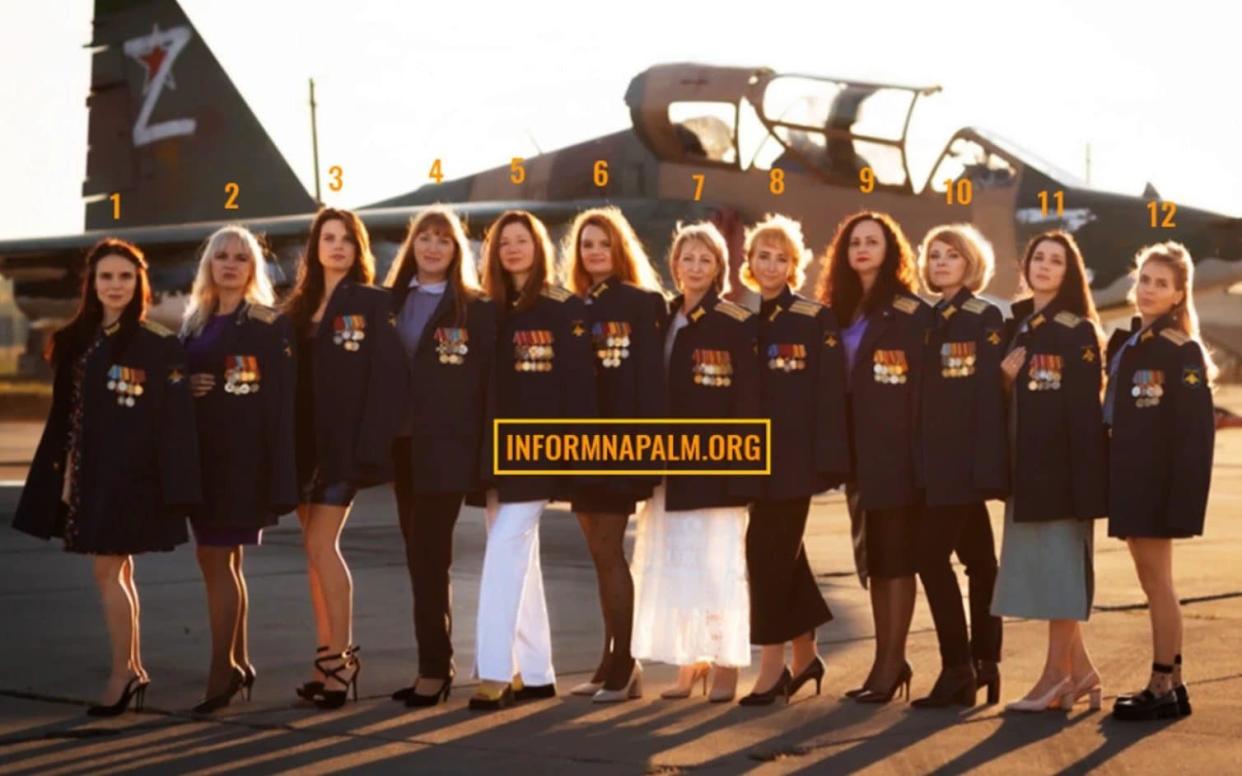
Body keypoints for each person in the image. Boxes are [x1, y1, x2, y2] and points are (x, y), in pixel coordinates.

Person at [14, 238, 200, 716]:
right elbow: (65, 415)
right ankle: (132, 667)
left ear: (139, 283)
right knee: (118, 571)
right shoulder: (75, 340)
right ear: (92, 285)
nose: (115, 285)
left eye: (125, 277)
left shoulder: (157, 345)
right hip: (84, 475)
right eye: (106, 277)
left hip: (131, 478)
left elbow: (173, 424)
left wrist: (177, 488)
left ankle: (124, 674)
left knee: (106, 570)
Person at [469, 210, 597, 710]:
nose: (514, 249)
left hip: (540, 450)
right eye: (505, 243)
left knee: (504, 551)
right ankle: (538, 672)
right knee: (521, 557)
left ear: (538, 247)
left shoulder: (562, 308)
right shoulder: (487, 308)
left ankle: (494, 673)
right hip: (493, 450)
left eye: (523, 241)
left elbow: (579, 388)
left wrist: (576, 458)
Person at [631, 221, 760, 704]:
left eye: (706, 259)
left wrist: (741, 467)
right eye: (688, 258)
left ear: (719, 269)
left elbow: (748, 400)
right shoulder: (663, 318)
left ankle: (725, 664)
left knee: (718, 566)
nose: (696, 267)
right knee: (677, 566)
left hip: (715, 466)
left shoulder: (733, 321)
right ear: (675, 265)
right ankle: (691, 661)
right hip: (669, 466)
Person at [283, 208, 407, 709]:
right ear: (314, 248)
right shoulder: (294, 307)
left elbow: (389, 378)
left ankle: (342, 662)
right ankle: (324, 656)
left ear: (359, 250)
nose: (336, 247)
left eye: (346, 240)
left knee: (322, 545)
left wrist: (371, 446)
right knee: (312, 554)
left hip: (343, 447)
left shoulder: (374, 303)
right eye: (327, 239)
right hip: (299, 445)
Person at [815, 211, 932, 704]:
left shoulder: (908, 310)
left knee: (896, 558)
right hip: (856, 454)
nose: (862, 249)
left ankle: (890, 664)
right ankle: (886, 660)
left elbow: (922, 389)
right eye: (854, 242)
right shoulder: (835, 311)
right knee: (874, 561)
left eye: (873, 242)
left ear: (890, 251)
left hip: (895, 452)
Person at [180, 225, 297, 713]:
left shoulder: (267, 324)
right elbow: (177, 380)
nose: (229, 264)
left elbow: (280, 400)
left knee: (216, 556)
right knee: (221, 561)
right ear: (209, 265)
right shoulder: (195, 322)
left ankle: (219, 670)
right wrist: (186, 386)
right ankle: (240, 662)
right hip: (202, 457)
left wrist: (276, 469)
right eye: (221, 256)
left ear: (253, 268)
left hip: (242, 460)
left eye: (240, 258)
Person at [385, 207, 497, 707]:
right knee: (417, 556)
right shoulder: (387, 302)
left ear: (457, 251)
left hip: (448, 450)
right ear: (413, 246)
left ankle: (435, 668)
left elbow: (488, 386)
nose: (432, 248)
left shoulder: (475, 308)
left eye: (443, 240)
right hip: (400, 448)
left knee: (430, 556)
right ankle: (432, 661)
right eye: (424, 239)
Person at [992, 230, 1108, 712]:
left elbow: (1084, 415)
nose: (1043, 266)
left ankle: (1054, 679)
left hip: (1060, 476)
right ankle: (1082, 674)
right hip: (1024, 472)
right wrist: (1002, 379)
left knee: (1061, 578)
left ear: (1069, 272)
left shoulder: (1075, 330)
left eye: (1055, 261)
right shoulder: (1017, 325)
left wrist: (1084, 488)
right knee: (1046, 576)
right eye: (1038, 257)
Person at [736, 214, 848, 706]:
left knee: (764, 556)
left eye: (782, 257)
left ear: (795, 266)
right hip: (750, 460)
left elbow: (829, 396)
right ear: (749, 263)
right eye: (763, 254)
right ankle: (806, 656)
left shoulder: (812, 317)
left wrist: (828, 462)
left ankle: (771, 667)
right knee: (785, 557)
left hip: (795, 462)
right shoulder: (738, 319)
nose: (772, 264)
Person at [560, 207, 667, 703]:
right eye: (587, 245)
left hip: (620, 448)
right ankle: (609, 662)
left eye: (603, 243)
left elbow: (651, 384)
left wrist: (647, 453)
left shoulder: (643, 302)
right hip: (581, 449)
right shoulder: (575, 306)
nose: (595, 252)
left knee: (609, 554)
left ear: (619, 248)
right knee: (600, 556)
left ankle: (625, 664)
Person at [1105, 242, 1215, 721]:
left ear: (1178, 296)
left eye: (1161, 284)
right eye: (1144, 280)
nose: (1149, 290)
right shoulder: (1128, 343)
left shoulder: (1179, 348)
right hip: (1129, 479)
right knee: (1156, 584)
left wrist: (1181, 501)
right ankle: (1175, 683)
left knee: (1157, 586)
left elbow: (1195, 434)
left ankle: (1159, 685)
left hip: (1155, 486)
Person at [911, 224, 1006, 708]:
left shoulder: (982, 317)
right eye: (934, 255)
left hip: (964, 467)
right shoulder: (928, 320)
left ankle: (957, 669)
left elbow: (990, 398)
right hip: (936, 465)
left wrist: (988, 469)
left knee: (929, 558)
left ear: (971, 263)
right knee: (980, 562)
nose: (941, 262)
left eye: (951, 254)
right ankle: (986, 662)